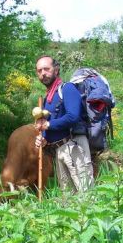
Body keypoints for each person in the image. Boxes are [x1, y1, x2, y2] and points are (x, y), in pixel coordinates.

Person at [34, 55, 94, 193]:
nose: (43, 73)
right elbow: (51, 124)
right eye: (39, 71)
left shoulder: (67, 89)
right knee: (68, 198)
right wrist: (43, 139)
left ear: (56, 70)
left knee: (86, 193)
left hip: (74, 146)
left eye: (46, 69)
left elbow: (73, 116)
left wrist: (48, 125)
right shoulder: (47, 98)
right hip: (59, 150)